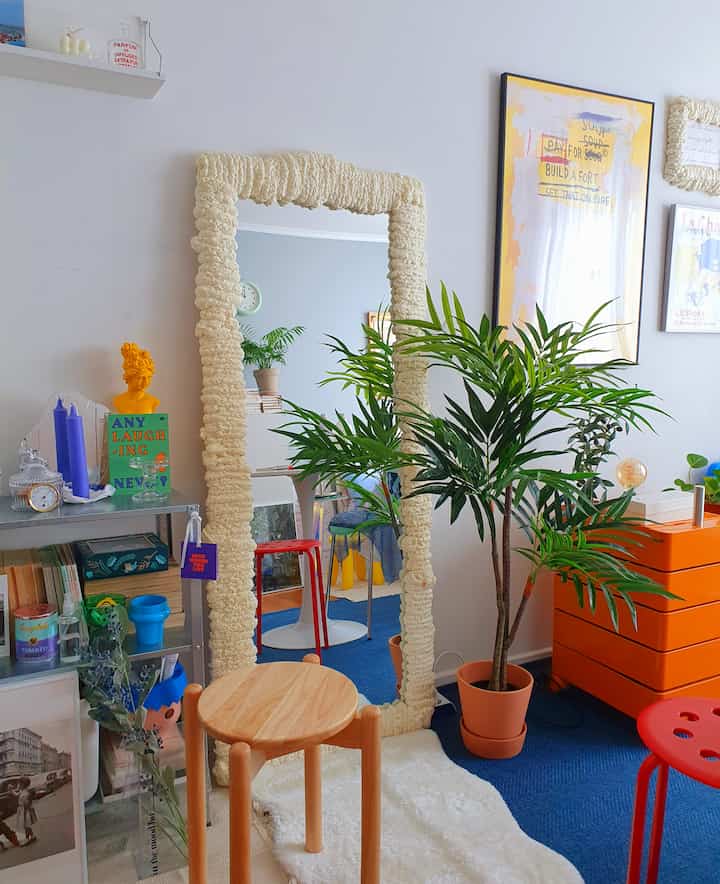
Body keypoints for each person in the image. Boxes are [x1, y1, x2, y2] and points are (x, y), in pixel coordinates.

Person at [14, 778, 37, 846]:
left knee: (25, 825)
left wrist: (24, 805)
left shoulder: (26, 793)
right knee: (25, 825)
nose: (17, 785)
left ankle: (28, 838)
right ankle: (31, 836)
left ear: (22, 785)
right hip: (22, 810)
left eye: (19, 784)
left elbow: (27, 803)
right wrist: (10, 790)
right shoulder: (23, 791)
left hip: (25, 811)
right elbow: (16, 794)